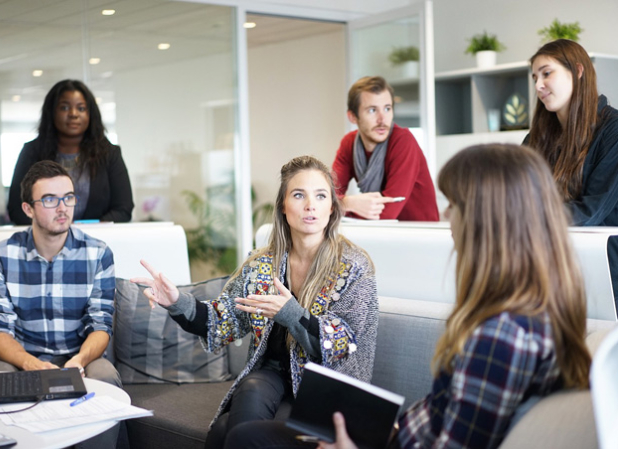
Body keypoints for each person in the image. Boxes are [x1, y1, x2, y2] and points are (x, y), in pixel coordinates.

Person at [231, 144, 592, 449]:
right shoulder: (532, 312)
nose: (447, 216)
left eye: (454, 205)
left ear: (489, 220)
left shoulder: (501, 337)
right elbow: (445, 416)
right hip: (396, 435)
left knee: (245, 439)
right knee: (242, 431)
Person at [132, 155, 379, 449]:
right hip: (273, 374)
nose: (310, 205)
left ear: (331, 208)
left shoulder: (353, 266)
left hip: (327, 387)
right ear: (284, 208)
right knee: (250, 388)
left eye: (321, 195)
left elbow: (342, 344)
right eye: (299, 195)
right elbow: (220, 321)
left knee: (226, 430)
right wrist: (176, 301)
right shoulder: (262, 264)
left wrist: (290, 313)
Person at [0, 161, 122, 447]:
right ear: (28, 209)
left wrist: (78, 362)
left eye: (68, 197)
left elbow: (101, 324)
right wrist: (30, 364)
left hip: (81, 357)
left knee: (105, 375)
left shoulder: (98, 254)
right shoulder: (1, 255)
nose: (63, 207)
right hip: (23, 358)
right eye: (49, 199)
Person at [526, 38, 618, 312]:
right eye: (534, 77)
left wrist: (526, 216)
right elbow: (515, 189)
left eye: (546, 73)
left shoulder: (612, 130)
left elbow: (591, 210)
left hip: (605, 272)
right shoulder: (538, 136)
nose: (538, 85)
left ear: (578, 71)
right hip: (553, 269)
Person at [7, 79, 134, 224]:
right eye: (64, 108)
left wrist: (88, 232)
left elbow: (123, 209)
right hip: (45, 243)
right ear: (52, 112)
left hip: (97, 241)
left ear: (90, 114)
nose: (73, 114)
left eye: (81, 108)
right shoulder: (32, 152)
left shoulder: (110, 154)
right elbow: (16, 210)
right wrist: (54, 230)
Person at [331, 76, 439, 221]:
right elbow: (325, 197)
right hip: (380, 233)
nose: (382, 119)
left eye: (387, 109)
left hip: (419, 235)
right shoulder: (349, 143)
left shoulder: (403, 141)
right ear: (352, 117)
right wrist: (349, 202)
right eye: (372, 110)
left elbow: (387, 213)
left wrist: (341, 206)